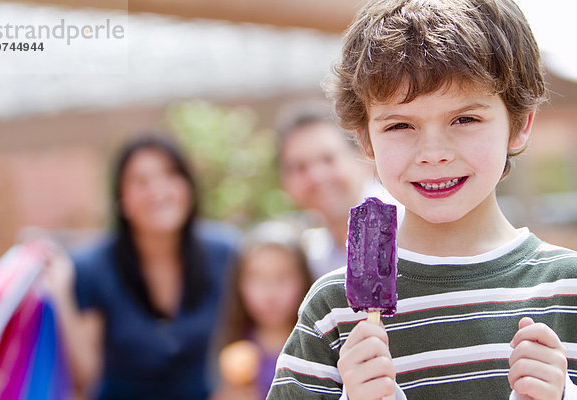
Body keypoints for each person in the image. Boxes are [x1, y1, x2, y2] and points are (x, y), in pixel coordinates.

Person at [267, 1, 577, 399]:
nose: (433, 152)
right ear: (365, 140)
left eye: (464, 119)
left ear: (519, 124)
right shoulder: (333, 310)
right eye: (400, 125)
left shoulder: (567, 288)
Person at [44, 135, 238, 399]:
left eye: (171, 174)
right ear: (121, 199)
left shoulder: (227, 253)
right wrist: (61, 296)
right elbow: (87, 377)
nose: (159, 190)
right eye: (141, 181)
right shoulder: (92, 267)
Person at [277, 106, 404, 279]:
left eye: (328, 159)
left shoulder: (408, 228)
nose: (317, 177)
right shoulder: (315, 256)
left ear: (364, 156)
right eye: (300, 167)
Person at [212, 221, 313, 400]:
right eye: (257, 278)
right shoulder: (231, 345)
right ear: (239, 283)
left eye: (282, 278)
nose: (269, 293)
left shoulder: (318, 348)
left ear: (304, 279)